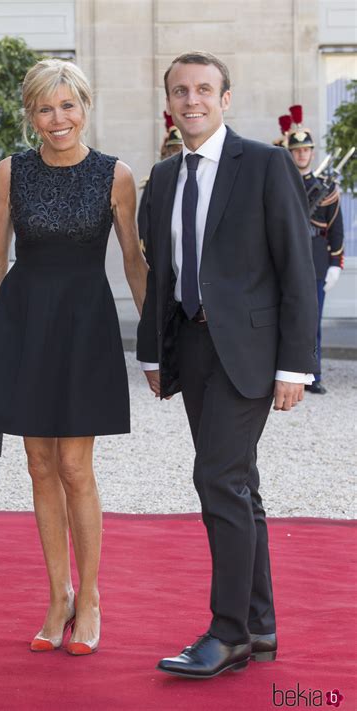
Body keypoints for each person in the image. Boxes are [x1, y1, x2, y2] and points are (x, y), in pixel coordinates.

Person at [137, 51, 318, 679]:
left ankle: (229, 632)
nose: (193, 100)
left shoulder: (265, 165)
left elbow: (297, 268)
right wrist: (154, 350)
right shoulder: (163, 179)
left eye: (205, 89)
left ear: (226, 97)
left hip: (249, 352)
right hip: (191, 347)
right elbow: (163, 275)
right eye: (181, 91)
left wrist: (296, 366)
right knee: (239, 483)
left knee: (216, 480)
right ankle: (262, 626)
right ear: (170, 103)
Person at [0, 59, 148, 656]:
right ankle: (57, 596)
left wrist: (157, 342)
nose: (57, 118)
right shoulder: (10, 172)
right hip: (24, 322)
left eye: (67, 105)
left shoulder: (115, 175)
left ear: (84, 107)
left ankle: (90, 598)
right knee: (38, 466)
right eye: (45, 108)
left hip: (83, 325)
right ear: (31, 115)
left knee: (74, 467)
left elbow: (134, 262)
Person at [287, 123, 344, 394]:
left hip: (317, 262)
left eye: (305, 150)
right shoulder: (283, 185)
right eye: (296, 151)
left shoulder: (324, 188)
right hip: (287, 262)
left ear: (312, 153)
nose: (301, 155)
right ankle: (288, 372)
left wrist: (335, 263)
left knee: (314, 320)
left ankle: (314, 373)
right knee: (285, 319)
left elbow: (336, 227)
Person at [138, 112, 182, 253]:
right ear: (166, 152)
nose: (176, 154)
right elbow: (144, 224)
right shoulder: (154, 182)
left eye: (180, 150)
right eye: (173, 150)